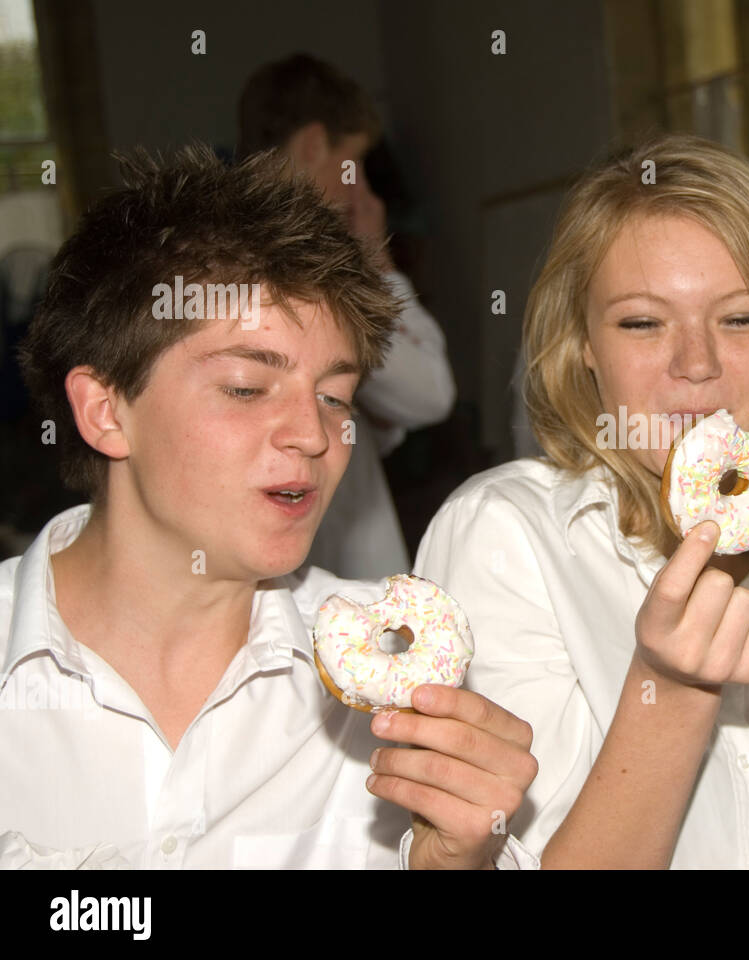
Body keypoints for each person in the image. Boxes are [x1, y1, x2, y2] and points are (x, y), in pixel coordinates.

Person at [1, 145, 536, 869]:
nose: (315, 435)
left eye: (336, 397)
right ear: (105, 411)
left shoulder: (394, 696)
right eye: (247, 388)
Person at [413, 133, 749, 868]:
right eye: (642, 322)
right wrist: (669, 692)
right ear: (583, 345)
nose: (697, 365)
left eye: (740, 318)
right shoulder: (508, 538)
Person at [238, 53, 456, 578]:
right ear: (314, 145)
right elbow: (430, 393)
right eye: (352, 163)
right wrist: (378, 264)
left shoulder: (220, 254)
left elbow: (395, 406)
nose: (359, 189)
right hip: (329, 571)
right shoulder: (303, 271)